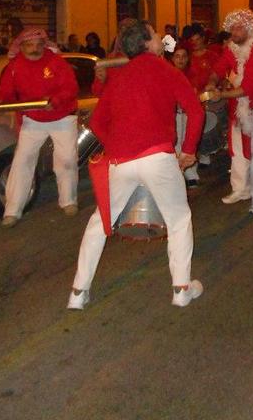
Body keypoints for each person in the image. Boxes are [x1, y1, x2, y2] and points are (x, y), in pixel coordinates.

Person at [67, 21, 205, 310]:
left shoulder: (118, 78)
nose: (159, 38)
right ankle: (181, 289)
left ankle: (78, 293)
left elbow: (96, 123)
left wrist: (116, 144)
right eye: (155, 35)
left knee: (100, 221)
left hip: (121, 161)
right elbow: (195, 110)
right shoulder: (167, 70)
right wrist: (189, 150)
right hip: (157, 157)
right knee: (179, 219)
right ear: (147, 43)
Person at [0, 27, 79, 227]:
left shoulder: (56, 63)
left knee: (66, 159)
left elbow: (71, 87)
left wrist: (56, 100)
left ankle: (68, 200)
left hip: (62, 117)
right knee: (22, 161)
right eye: (29, 45)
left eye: (37, 45)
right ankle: (12, 210)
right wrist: (0, 104)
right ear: (21, 46)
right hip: (33, 119)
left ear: (44, 44)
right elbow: (5, 92)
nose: (34, 49)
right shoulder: (14, 67)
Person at [205, 9, 253, 214]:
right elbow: (218, 67)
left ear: (249, 29)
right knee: (237, 144)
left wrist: (220, 95)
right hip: (240, 101)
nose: (234, 31)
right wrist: (212, 82)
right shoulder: (232, 48)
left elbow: (248, 88)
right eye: (232, 28)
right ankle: (240, 188)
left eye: (238, 27)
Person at [171, 45, 200, 188]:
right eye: (177, 56)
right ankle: (177, 174)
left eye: (183, 56)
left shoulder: (192, 75)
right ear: (172, 58)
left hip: (188, 114)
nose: (180, 59)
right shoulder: (168, 74)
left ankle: (191, 173)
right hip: (175, 114)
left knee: (188, 141)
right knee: (176, 144)